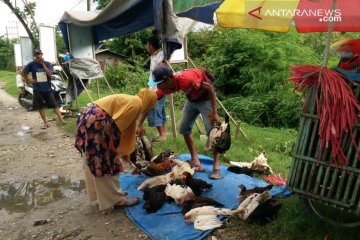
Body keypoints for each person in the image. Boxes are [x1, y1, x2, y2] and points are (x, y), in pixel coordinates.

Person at [75, 89, 157, 212]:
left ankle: (99, 195)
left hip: (87, 117)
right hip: (98, 123)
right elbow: (118, 127)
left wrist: (125, 151)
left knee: (92, 158)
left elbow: (126, 128)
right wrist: (116, 151)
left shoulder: (132, 100)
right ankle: (116, 200)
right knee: (106, 161)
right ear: (149, 101)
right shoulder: (137, 103)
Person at [148, 65, 222, 179]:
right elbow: (154, 96)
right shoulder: (167, 85)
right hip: (192, 99)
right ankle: (195, 160)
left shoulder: (187, 79)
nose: (158, 85)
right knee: (184, 128)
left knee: (212, 132)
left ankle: (216, 166)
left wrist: (215, 113)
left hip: (206, 99)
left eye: (159, 83)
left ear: (168, 80)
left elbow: (211, 89)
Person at [20, 49, 65, 129]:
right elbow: (22, 72)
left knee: (54, 105)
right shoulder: (31, 64)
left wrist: (43, 64)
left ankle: (61, 120)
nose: (38, 55)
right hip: (37, 89)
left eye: (39, 54)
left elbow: (50, 74)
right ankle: (45, 123)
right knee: (40, 107)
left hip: (47, 88)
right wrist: (29, 80)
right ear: (34, 56)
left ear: (42, 54)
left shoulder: (47, 64)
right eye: (36, 54)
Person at [146, 36, 167, 140]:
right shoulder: (153, 55)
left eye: (147, 45)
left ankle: (162, 134)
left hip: (158, 87)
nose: (146, 47)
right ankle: (163, 134)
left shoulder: (160, 54)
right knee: (160, 110)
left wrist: (158, 88)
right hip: (153, 86)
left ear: (151, 45)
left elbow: (161, 69)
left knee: (156, 110)